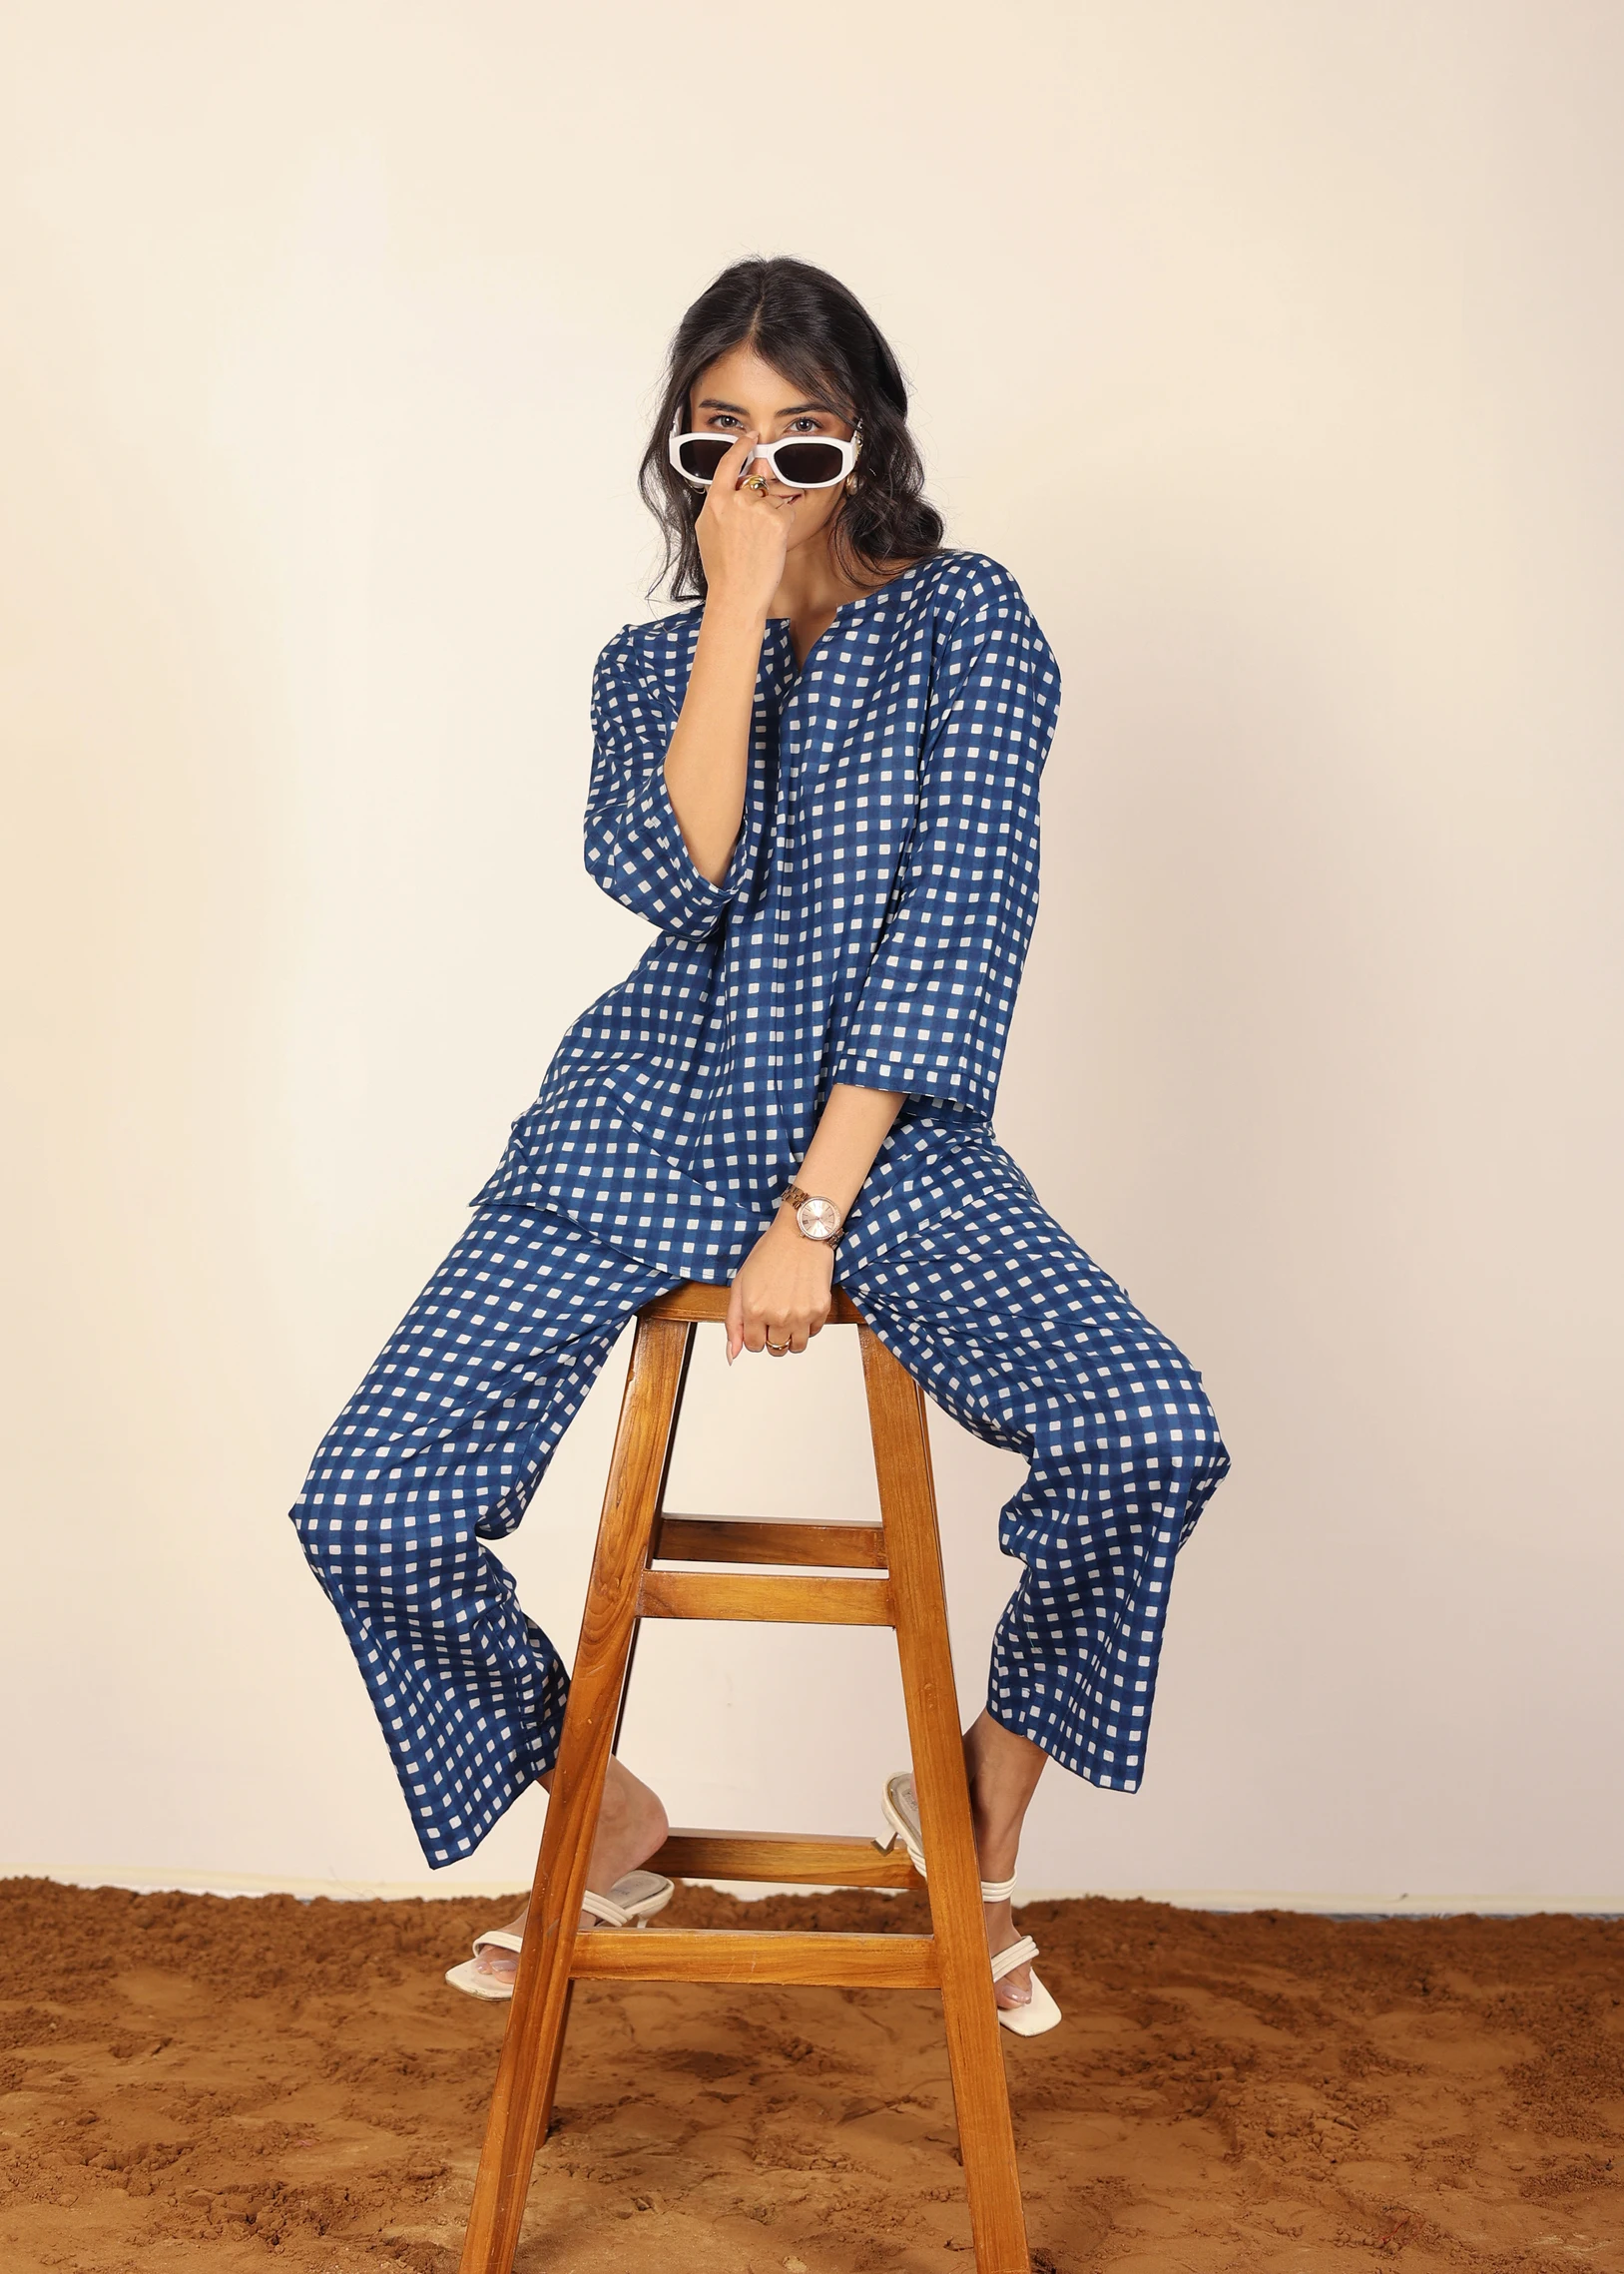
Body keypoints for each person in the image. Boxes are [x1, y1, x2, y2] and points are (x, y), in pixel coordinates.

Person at [289, 256, 1229, 2034]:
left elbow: (960, 921)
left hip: (886, 1133)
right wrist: (731, 607)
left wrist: (814, 1207)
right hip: (642, 1117)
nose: (760, 468)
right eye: (718, 435)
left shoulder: (969, 620)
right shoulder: (647, 662)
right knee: (368, 1498)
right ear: (679, 451)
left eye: (800, 436)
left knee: (1146, 1428)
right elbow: (674, 875)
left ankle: (974, 1811)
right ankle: (596, 1812)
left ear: (865, 441)